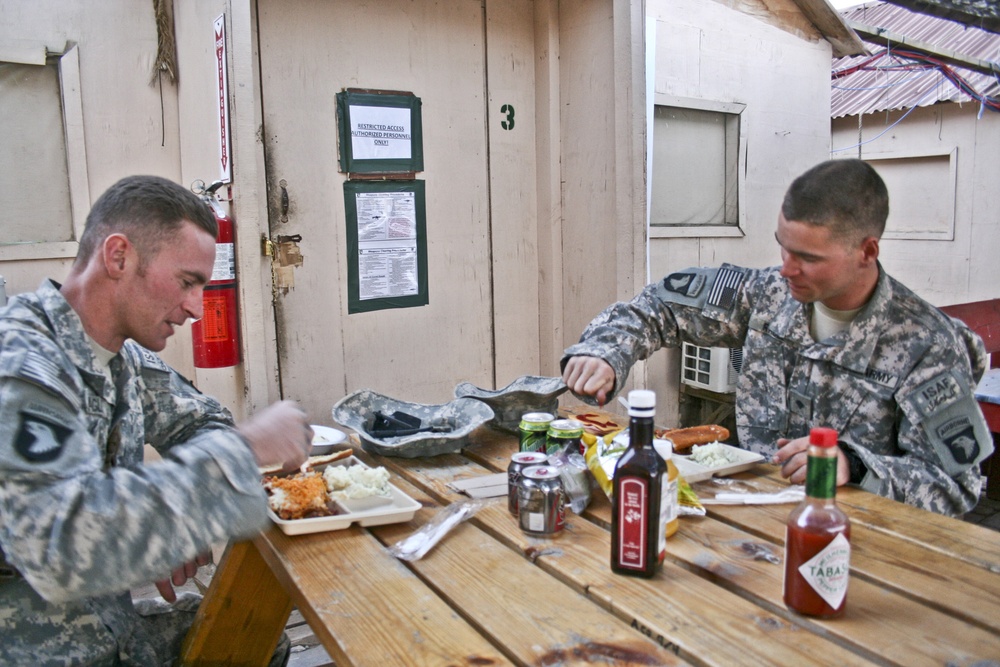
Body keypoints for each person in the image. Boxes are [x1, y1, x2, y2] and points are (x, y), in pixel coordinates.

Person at [562, 159, 993, 517]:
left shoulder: (927, 344)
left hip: (854, 537)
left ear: (867, 252)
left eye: (807, 257)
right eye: (783, 248)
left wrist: (857, 465)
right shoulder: (766, 294)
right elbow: (659, 306)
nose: (787, 268)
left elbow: (955, 487)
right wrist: (604, 352)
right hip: (751, 515)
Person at [0, 175, 313, 666]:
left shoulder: (120, 356)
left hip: (110, 632)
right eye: (187, 282)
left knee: (251, 634)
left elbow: (203, 422)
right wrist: (243, 452)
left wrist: (173, 518)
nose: (194, 307)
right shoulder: (21, 364)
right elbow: (59, 549)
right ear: (119, 256)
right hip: (35, 648)